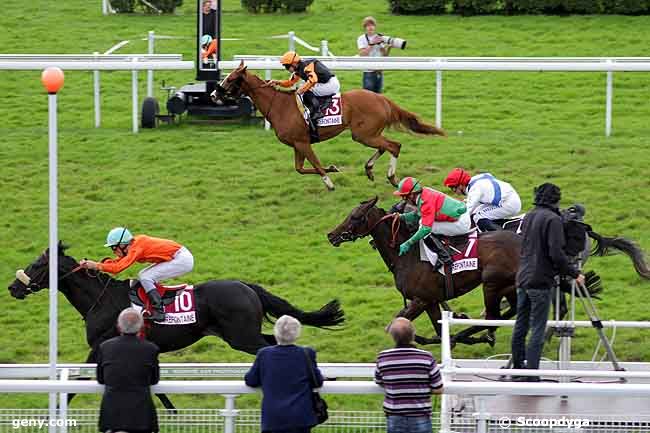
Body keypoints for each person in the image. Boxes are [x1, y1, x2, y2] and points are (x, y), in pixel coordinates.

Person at [510, 183, 585, 381]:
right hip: (540, 280)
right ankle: (533, 375)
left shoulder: (529, 215)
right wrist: (574, 273)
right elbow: (556, 254)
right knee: (537, 328)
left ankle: (518, 369)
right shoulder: (552, 219)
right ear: (556, 198)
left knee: (520, 325)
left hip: (522, 277)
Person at [79, 227, 194, 321]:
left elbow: (118, 268)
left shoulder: (136, 248)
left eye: (114, 248)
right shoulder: (134, 244)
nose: (113, 251)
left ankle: (159, 311)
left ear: (123, 244)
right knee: (144, 274)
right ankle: (158, 302)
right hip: (177, 256)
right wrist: (99, 264)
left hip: (182, 260)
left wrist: (96, 266)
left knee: (145, 276)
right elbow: (120, 261)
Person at [245, 315, 323, 433]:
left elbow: (251, 380)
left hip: (274, 418)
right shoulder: (307, 353)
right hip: (301, 418)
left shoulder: (264, 354)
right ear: (297, 333)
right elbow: (318, 381)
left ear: (276, 333)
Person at [375, 318, 443, 433]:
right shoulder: (427, 357)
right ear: (413, 335)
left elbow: (379, 381)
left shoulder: (383, 357)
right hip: (421, 416)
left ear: (393, 337)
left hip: (394, 417)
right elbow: (438, 388)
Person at [97, 308, 160, 433]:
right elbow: (154, 380)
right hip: (142, 418)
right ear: (141, 327)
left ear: (119, 327)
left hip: (111, 417)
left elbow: (101, 379)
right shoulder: (151, 349)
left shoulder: (105, 347)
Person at [393, 176, 470, 268]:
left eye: (404, 197)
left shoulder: (425, 202)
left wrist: (408, 243)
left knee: (424, 227)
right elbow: (418, 214)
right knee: (423, 223)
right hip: (461, 215)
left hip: (462, 223)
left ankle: (444, 257)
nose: (403, 200)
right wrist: (402, 217)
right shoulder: (424, 193)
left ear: (411, 195)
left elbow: (426, 229)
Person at [267, 51, 340, 125]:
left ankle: (317, 112)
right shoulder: (298, 70)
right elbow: (290, 83)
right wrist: (277, 82)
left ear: (294, 63)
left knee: (304, 90)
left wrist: (301, 90)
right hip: (324, 84)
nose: (286, 69)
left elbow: (313, 80)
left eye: (287, 66)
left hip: (330, 84)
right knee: (303, 88)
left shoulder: (306, 67)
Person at [443, 168, 522, 232]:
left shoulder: (475, 189)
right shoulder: (475, 180)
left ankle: (502, 237)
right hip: (507, 197)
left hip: (509, 203)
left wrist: (450, 222)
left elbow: (467, 211)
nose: (453, 191)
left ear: (460, 185)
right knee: (475, 212)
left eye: (453, 188)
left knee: (479, 216)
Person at [357, 16, 390, 93]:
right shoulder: (361, 38)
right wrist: (372, 44)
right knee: (368, 96)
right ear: (365, 27)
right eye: (368, 25)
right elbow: (362, 54)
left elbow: (385, 55)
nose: (370, 27)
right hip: (368, 71)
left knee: (379, 96)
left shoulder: (380, 37)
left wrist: (389, 47)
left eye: (372, 25)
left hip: (379, 71)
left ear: (375, 27)